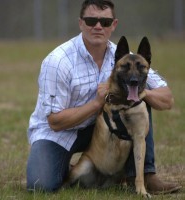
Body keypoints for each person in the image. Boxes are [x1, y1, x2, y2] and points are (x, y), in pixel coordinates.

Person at [26, 0, 182, 194]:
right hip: (59, 133)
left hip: (100, 127)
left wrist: (141, 93)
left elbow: (167, 99)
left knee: (139, 101)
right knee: (40, 185)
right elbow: (55, 122)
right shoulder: (58, 61)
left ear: (114, 25)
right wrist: (97, 103)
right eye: (91, 21)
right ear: (81, 23)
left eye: (105, 22)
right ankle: (66, 168)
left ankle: (145, 177)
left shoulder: (127, 60)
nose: (98, 26)